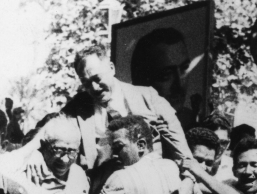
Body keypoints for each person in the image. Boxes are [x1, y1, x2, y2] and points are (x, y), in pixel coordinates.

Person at [60, 43, 193, 170]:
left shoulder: (149, 97)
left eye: (97, 78)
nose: (94, 87)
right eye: (86, 83)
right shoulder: (78, 107)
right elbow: (45, 132)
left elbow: (182, 151)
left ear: (111, 68)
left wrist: (189, 180)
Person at [130, 27, 196, 128]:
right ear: (141, 81)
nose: (179, 84)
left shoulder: (195, 121)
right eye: (166, 75)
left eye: (184, 69)